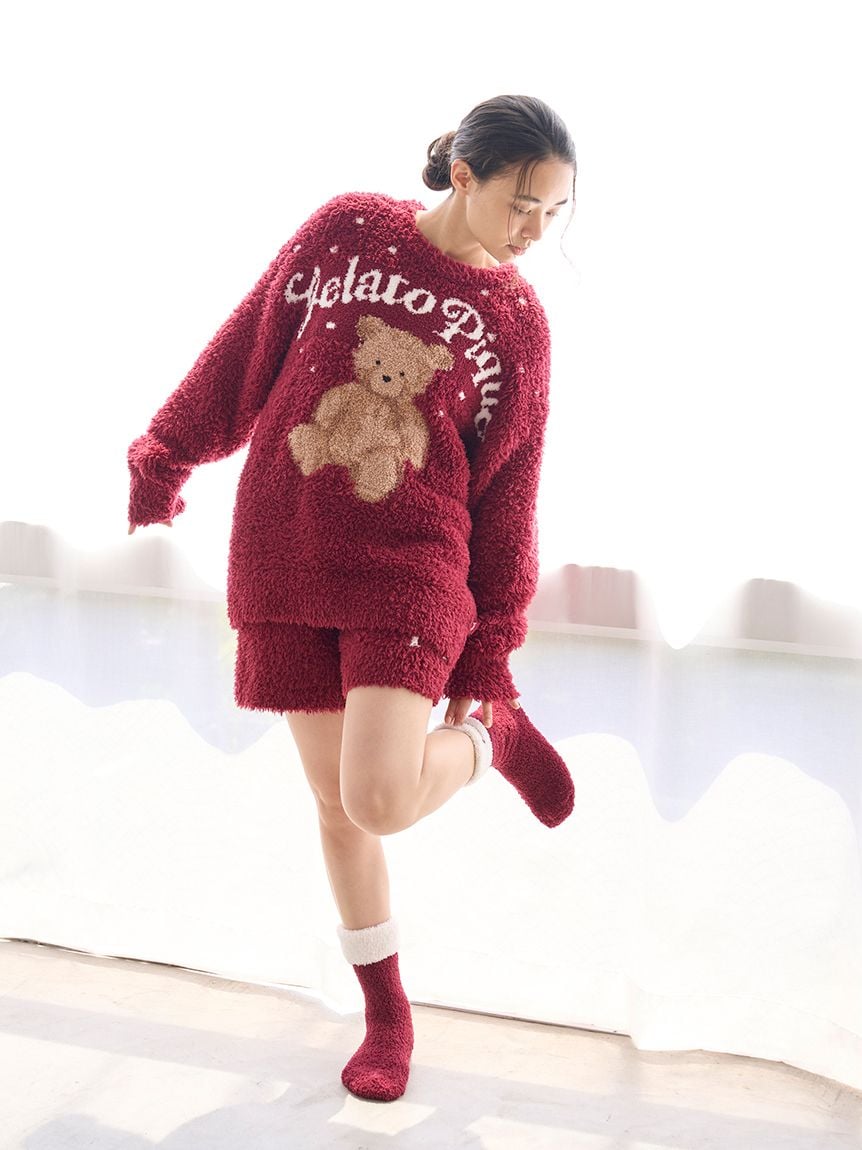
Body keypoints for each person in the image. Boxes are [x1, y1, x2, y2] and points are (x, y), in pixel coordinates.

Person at [127, 93, 577, 1102]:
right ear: (463, 174)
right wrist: (167, 451)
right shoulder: (347, 230)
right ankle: (385, 1012)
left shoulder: (517, 323)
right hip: (287, 548)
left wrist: (490, 654)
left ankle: (490, 735)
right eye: (521, 204)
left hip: (412, 568)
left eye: (554, 212)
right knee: (338, 807)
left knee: (379, 795)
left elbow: (510, 494)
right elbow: (247, 349)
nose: (533, 232)